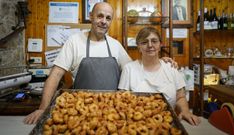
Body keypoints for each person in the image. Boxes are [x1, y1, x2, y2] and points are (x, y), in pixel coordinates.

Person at [24, 2, 177, 124]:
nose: (104, 21)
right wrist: (43, 109)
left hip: (112, 113)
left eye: (108, 18)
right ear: (91, 16)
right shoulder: (74, 42)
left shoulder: (115, 45)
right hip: (79, 112)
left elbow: (135, 69)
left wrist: (157, 60)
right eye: (100, 16)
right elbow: (55, 75)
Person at [118, 27, 201, 126]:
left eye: (154, 41)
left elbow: (180, 97)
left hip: (168, 123)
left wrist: (185, 111)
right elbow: (122, 100)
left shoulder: (171, 67)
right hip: (137, 124)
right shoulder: (129, 69)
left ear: (160, 44)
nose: (150, 45)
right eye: (144, 42)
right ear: (138, 47)